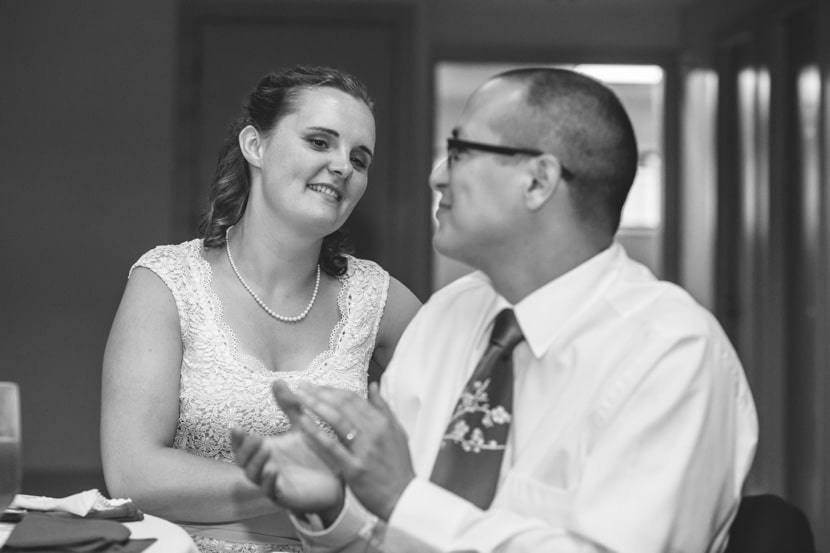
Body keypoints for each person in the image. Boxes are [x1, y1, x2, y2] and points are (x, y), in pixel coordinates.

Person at [232, 67, 759, 553]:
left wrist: (404, 498)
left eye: (459, 152)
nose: (437, 176)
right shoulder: (447, 317)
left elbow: (409, 507)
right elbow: (385, 535)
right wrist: (334, 505)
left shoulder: (672, 356)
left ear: (537, 181)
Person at [100, 65, 421, 553]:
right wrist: (293, 479)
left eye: (359, 158)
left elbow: (453, 447)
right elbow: (132, 471)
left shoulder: (378, 299)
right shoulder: (167, 282)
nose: (343, 167)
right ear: (256, 145)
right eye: (319, 142)